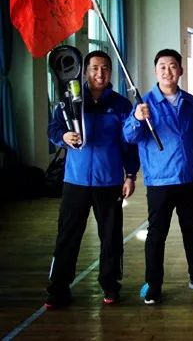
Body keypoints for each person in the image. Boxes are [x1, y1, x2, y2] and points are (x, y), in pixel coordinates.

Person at [45, 50, 139, 309]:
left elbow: (129, 144)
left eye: (105, 68)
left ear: (111, 72)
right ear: (85, 71)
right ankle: (58, 288)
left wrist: (130, 175)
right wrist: (63, 137)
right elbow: (53, 129)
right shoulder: (70, 101)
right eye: (95, 68)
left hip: (109, 182)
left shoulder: (120, 105)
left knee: (110, 237)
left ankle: (110, 285)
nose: (100, 73)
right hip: (75, 181)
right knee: (68, 236)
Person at [124, 49, 193, 305]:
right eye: (162, 66)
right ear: (156, 71)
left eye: (173, 66)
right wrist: (136, 119)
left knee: (192, 230)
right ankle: (153, 284)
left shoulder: (190, 102)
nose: (168, 71)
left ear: (181, 71)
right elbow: (129, 137)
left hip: (189, 178)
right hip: (160, 181)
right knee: (157, 234)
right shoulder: (144, 104)